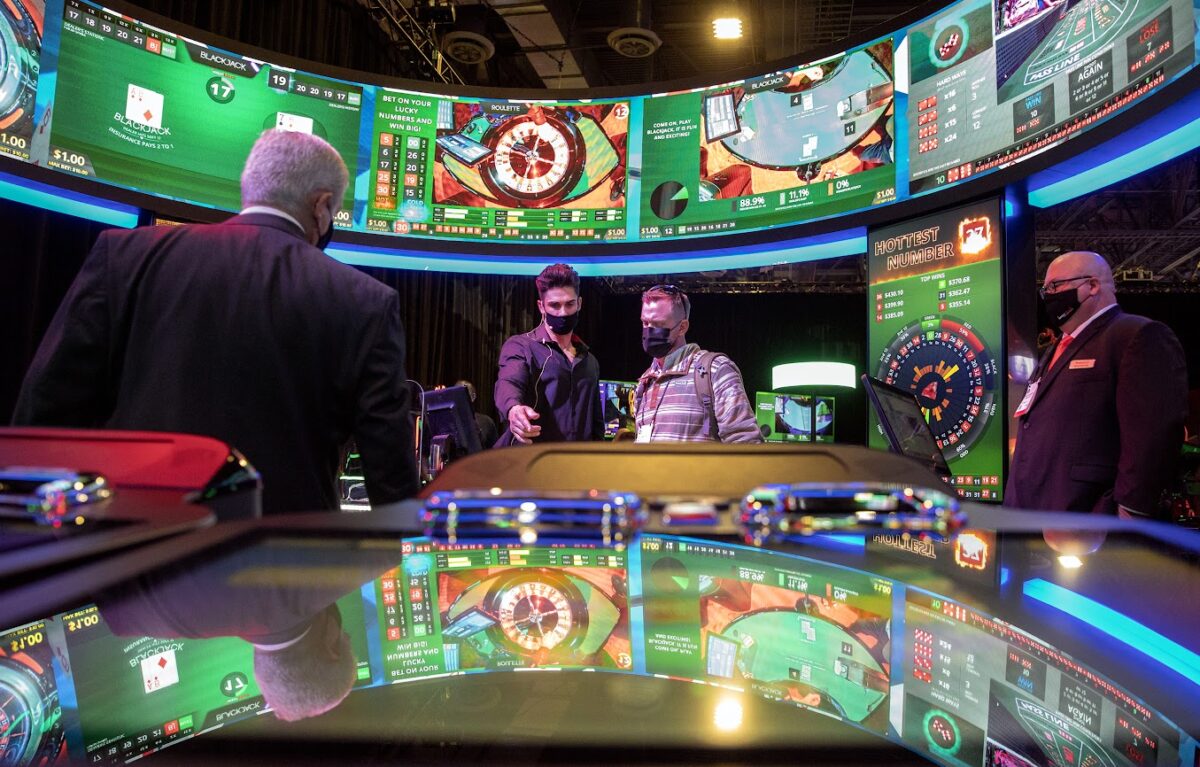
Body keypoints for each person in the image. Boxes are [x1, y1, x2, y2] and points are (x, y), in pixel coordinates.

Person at [12, 129, 419, 514]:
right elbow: (389, 471)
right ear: (322, 205)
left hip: (132, 556)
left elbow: (45, 414)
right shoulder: (366, 300)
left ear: (252, 186)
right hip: (286, 571)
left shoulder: (123, 256)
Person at [1005, 251, 1187, 517]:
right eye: (1045, 289)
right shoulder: (1056, 347)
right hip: (1031, 513)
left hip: (1087, 518)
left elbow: (1153, 435)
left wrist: (1130, 510)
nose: (1048, 295)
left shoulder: (1136, 335)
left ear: (1092, 285)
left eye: (1056, 286)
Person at [633, 285, 762, 443]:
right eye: (645, 323)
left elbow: (746, 443)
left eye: (658, 324)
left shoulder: (716, 370)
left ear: (682, 327)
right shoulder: (645, 381)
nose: (649, 331)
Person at [494, 263, 603, 445]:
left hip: (576, 467)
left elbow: (595, 424)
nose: (563, 312)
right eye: (554, 305)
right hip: (532, 465)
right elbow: (509, 382)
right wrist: (514, 409)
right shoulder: (522, 347)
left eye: (570, 304)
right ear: (541, 307)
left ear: (580, 303)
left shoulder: (590, 361)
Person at [455, 379, 499, 448]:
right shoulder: (447, 421)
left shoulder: (486, 422)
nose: (460, 398)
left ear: (473, 397)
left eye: (464, 394)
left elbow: (495, 451)